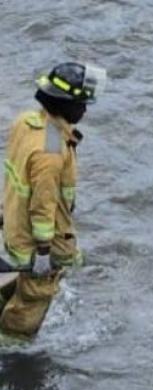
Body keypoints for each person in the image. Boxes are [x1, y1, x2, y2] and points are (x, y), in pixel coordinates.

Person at [0, 62, 106, 336]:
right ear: (64, 104)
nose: (84, 110)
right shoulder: (51, 151)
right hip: (37, 242)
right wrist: (44, 254)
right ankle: (13, 347)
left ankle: (7, 299)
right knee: (33, 300)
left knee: (25, 277)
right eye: (81, 104)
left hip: (14, 226)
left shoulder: (26, 122)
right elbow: (42, 206)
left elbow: (16, 179)